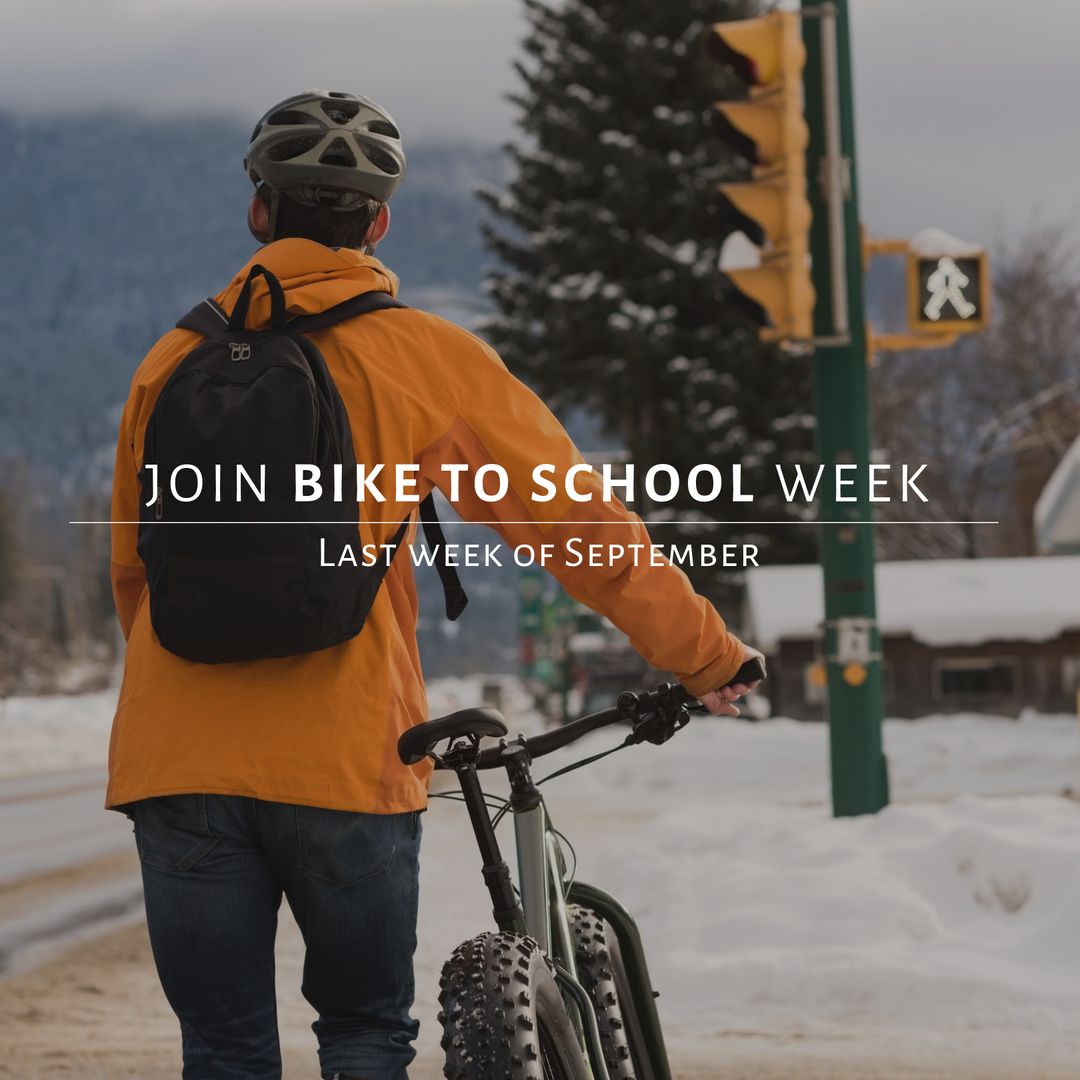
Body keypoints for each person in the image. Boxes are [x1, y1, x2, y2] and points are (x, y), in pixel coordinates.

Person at [107, 89, 763, 1080]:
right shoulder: (426, 359)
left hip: (179, 761)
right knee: (365, 1029)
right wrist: (708, 655)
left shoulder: (171, 362)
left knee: (223, 1045)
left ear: (258, 210)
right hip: (348, 755)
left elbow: (131, 570)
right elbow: (577, 528)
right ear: (377, 221)